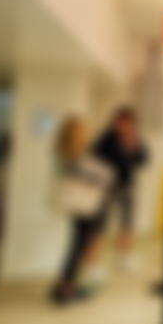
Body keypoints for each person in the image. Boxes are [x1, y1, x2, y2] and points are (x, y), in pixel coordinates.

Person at [51, 115, 113, 305]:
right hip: (84, 208)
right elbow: (101, 175)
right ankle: (66, 290)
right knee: (77, 248)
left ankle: (64, 284)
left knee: (75, 246)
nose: (86, 135)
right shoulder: (77, 155)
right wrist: (105, 175)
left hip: (79, 207)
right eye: (83, 132)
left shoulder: (65, 152)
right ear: (76, 134)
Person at [93, 107, 149, 272]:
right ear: (115, 121)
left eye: (129, 122)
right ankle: (94, 263)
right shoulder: (106, 137)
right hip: (106, 186)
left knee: (128, 222)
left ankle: (124, 257)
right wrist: (125, 151)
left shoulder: (134, 137)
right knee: (99, 225)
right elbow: (98, 158)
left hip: (127, 185)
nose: (126, 125)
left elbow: (144, 160)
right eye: (122, 122)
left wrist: (135, 148)